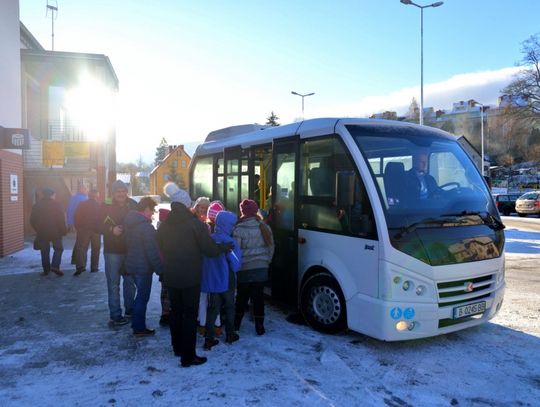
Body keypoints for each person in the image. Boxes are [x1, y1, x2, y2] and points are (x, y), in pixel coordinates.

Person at [156, 182, 233, 368]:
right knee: (189, 315)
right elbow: (209, 249)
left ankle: (177, 348)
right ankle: (188, 356)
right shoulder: (194, 225)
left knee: (176, 312)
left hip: (171, 275)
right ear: (186, 204)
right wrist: (223, 247)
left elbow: (159, 245)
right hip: (190, 277)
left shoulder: (164, 225)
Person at [201, 210, 242, 350]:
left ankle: (209, 338)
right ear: (227, 225)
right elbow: (236, 265)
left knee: (213, 308)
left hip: (213, 279)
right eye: (232, 225)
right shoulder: (230, 242)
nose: (233, 227)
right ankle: (230, 334)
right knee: (230, 306)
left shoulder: (209, 239)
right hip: (227, 279)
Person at [233, 199, 274, 336]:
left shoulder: (238, 229)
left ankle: (236, 325)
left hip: (244, 268)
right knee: (258, 298)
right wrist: (266, 261)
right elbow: (271, 247)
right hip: (261, 267)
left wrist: (237, 267)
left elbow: (236, 251)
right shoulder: (264, 227)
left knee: (241, 297)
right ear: (256, 211)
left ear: (242, 212)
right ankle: (260, 327)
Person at [99, 180, 137, 326]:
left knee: (130, 282)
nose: (121, 194)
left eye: (123, 191)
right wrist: (111, 230)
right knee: (114, 284)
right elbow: (96, 224)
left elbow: (141, 220)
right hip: (112, 251)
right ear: (113, 193)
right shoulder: (105, 205)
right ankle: (115, 315)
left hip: (130, 250)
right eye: (118, 191)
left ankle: (130, 310)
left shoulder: (133, 204)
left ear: (126, 192)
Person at [124, 197, 163, 337]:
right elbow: (152, 251)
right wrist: (160, 270)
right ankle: (139, 327)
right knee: (142, 297)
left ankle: (136, 323)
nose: (152, 214)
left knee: (138, 296)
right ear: (146, 209)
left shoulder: (130, 222)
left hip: (131, 264)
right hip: (142, 267)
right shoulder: (146, 227)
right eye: (152, 211)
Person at [197, 200, 225, 335]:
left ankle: (202, 324)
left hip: (203, 268)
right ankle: (217, 325)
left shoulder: (203, 228)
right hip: (218, 271)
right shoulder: (224, 233)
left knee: (202, 298)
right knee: (216, 299)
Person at [30, 187, 67, 276]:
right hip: (56, 232)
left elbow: (32, 220)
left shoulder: (37, 205)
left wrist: (38, 229)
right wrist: (63, 230)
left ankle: (46, 270)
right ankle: (55, 266)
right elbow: (61, 219)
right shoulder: (57, 204)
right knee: (59, 249)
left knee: (44, 251)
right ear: (53, 195)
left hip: (42, 232)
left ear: (43, 194)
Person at [73, 188, 102, 276]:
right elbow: (102, 218)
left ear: (88, 196)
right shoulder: (99, 206)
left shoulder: (82, 204)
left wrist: (78, 227)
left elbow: (76, 216)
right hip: (96, 230)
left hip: (83, 229)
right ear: (97, 196)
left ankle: (80, 266)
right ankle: (94, 268)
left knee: (81, 248)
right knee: (96, 249)